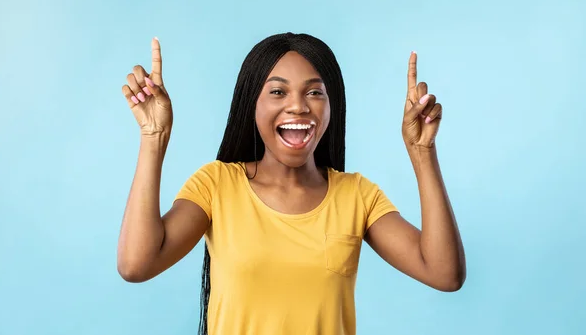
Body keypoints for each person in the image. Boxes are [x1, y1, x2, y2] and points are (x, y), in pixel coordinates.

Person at [117, 33, 466, 335]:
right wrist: (154, 135)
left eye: (314, 92)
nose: (298, 106)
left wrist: (423, 152)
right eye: (278, 92)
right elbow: (137, 265)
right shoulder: (217, 185)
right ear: (251, 103)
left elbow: (444, 273)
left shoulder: (357, 195)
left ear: (332, 106)